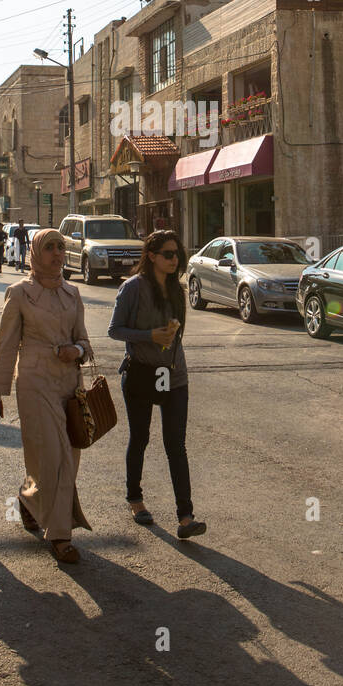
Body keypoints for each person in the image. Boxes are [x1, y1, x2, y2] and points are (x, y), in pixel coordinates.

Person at [0, 228, 92, 563]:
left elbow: (86, 344)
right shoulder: (19, 293)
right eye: (50, 248)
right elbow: (5, 348)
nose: (57, 255)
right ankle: (61, 535)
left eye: (61, 248)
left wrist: (75, 350)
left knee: (69, 457)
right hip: (34, 384)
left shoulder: (73, 293)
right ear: (35, 253)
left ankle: (30, 497)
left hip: (69, 386)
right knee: (55, 456)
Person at [108, 229, 206, 539]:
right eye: (168, 254)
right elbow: (115, 330)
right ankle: (135, 499)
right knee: (140, 438)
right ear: (151, 256)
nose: (174, 259)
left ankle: (186, 517)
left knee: (175, 444)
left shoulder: (177, 290)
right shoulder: (132, 289)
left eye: (177, 254)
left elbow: (175, 333)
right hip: (141, 372)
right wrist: (149, 336)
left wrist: (169, 334)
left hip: (172, 375)